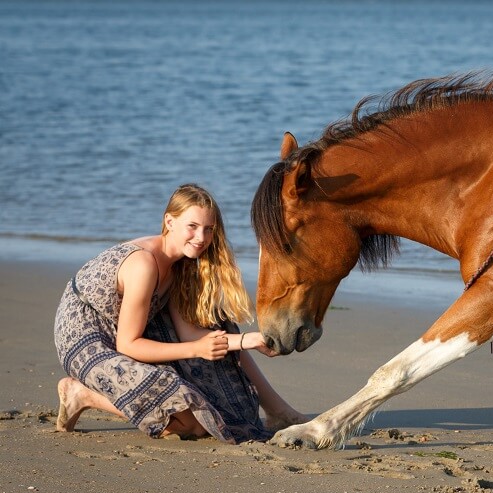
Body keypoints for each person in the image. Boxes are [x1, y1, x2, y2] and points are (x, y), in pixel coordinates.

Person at [53, 183, 307, 443]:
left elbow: (190, 333)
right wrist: (196, 350)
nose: (201, 238)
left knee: (219, 327)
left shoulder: (181, 266)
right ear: (169, 221)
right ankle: (81, 394)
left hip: (130, 326)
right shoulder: (144, 265)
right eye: (192, 226)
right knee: (192, 423)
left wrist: (249, 340)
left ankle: (278, 411)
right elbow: (129, 345)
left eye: (209, 229)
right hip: (87, 336)